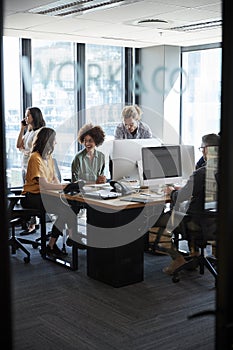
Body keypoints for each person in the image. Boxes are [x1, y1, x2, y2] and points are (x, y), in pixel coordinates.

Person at [158, 133, 220, 275]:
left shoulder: (201, 173)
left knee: (154, 224)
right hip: (217, 223)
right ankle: (194, 255)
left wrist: (172, 191)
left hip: (196, 224)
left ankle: (178, 259)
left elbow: (181, 197)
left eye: (202, 148)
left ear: (207, 149)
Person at [20, 127, 77, 258]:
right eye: (54, 140)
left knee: (69, 207)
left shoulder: (49, 157)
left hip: (44, 195)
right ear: (48, 141)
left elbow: (54, 179)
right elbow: (44, 184)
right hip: (31, 196)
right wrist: (65, 186)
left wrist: (63, 188)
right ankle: (69, 238)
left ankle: (56, 243)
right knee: (66, 210)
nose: (56, 143)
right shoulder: (35, 158)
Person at [16, 106, 46, 235]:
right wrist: (22, 128)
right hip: (25, 165)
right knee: (28, 191)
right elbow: (18, 145)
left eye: (28, 115)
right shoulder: (29, 130)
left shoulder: (40, 131)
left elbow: (35, 151)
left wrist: (25, 151)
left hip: (33, 166)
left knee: (33, 192)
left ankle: (33, 224)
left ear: (34, 116)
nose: (25, 117)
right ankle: (30, 221)